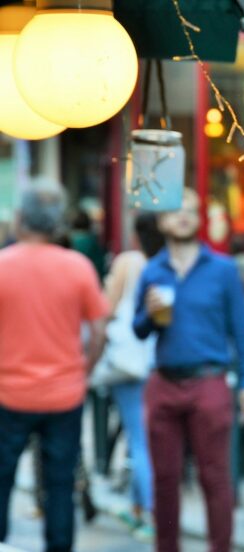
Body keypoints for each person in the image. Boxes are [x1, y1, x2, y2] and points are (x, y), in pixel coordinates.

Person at [133, 188, 244, 552]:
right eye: (176, 210)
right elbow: (138, 330)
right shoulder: (152, 270)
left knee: (215, 477)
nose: (184, 216)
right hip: (164, 381)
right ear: (162, 221)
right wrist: (151, 314)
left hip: (209, 380)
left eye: (191, 210)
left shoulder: (223, 269)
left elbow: (241, 332)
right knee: (165, 478)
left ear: (199, 218)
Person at [0, 184, 108, 552]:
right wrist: (86, 367)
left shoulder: (2, 265)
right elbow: (99, 330)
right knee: (60, 486)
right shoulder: (77, 267)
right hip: (64, 395)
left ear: (19, 219)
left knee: (1, 480)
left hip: (7, 394)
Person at [99, 212, 165, 541]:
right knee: (143, 437)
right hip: (158, 360)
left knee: (139, 440)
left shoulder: (129, 261)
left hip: (129, 361)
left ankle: (152, 514)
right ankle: (139, 508)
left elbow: (107, 309)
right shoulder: (168, 264)